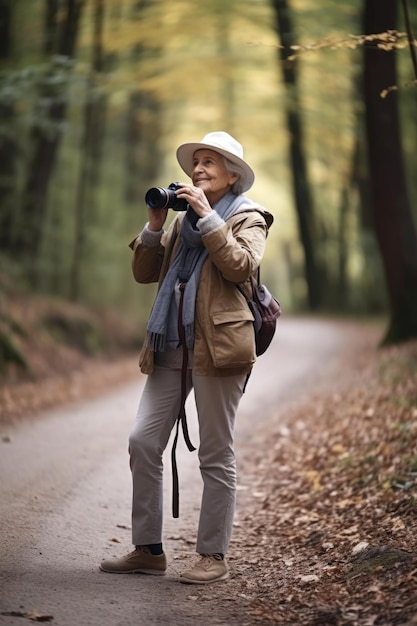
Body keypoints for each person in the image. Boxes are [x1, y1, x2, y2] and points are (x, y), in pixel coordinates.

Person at [99, 131, 273, 584]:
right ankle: (148, 549)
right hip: (171, 345)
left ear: (232, 175)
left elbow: (241, 268)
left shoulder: (248, 218)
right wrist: (155, 224)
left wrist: (207, 215)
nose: (197, 169)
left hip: (220, 347)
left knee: (216, 452)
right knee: (143, 441)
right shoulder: (181, 224)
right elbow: (143, 274)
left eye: (209, 162)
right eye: (196, 161)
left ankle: (212, 556)